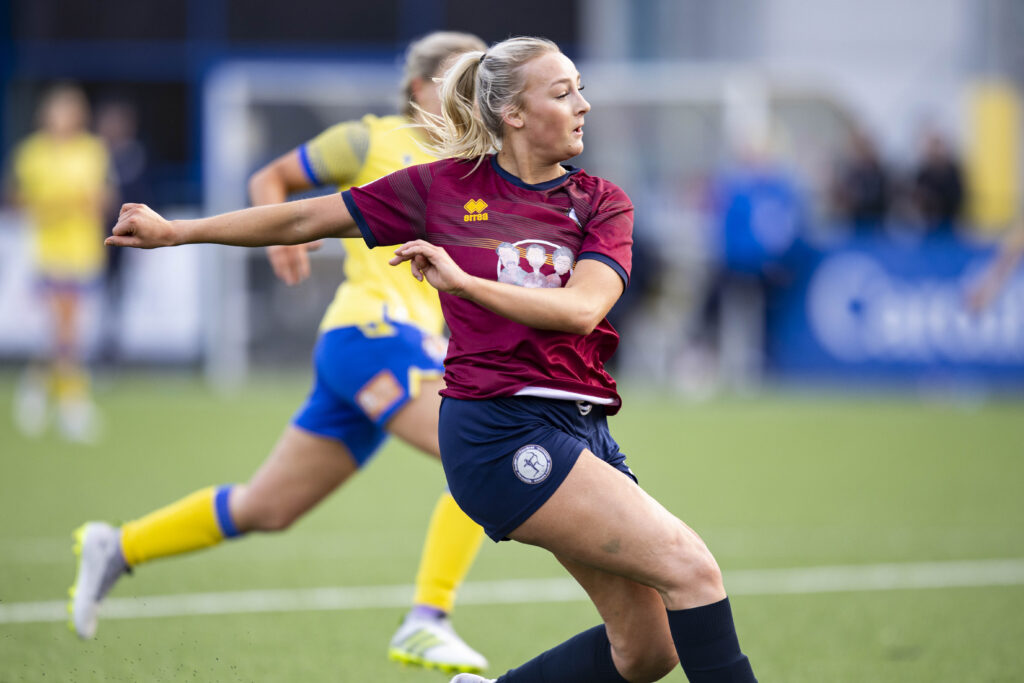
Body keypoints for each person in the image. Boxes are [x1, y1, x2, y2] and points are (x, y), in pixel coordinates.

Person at [105, 36, 759, 683]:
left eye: (581, 88)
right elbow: (305, 219)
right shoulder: (440, 188)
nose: (584, 104)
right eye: (564, 92)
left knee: (648, 647)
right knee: (692, 568)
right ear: (514, 114)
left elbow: (582, 309)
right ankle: (428, 612)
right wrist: (178, 231)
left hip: (584, 426)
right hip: (498, 429)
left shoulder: (601, 201)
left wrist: (464, 281)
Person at [70, 31, 491, 675]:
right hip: (373, 336)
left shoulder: (475, 165)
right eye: (464, 77)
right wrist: (279, 237)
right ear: (419, 88)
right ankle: (428, 618)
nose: (477, 91)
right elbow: (274, 177)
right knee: (480, 447)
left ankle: (118, 546)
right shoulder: (369, 138)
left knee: (267, 507)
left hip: (385, 350)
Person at [5, 84, 113, 443]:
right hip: (47, 252)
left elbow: (102, 199)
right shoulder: (31, 153)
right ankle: (73, 406)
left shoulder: (91, 151)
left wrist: (75, 204)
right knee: (65, 330)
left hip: (83, 251)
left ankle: (34, 388)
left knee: (64, 333)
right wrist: (53, 206)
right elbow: (18, 199)